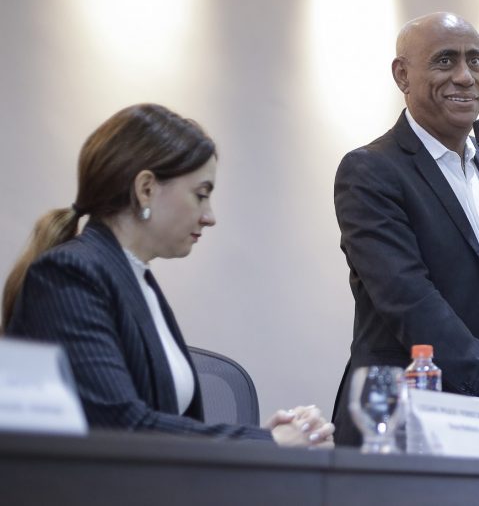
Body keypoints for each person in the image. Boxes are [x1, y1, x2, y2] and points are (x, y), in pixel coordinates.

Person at [2, 104, 334, 446]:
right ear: (146, 188)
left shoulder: (135, 279)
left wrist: (260, 440)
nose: (209, 216)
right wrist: (268, 442)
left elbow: (161, 427)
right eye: (201, 195)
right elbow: (119, 426)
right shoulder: (69, 274)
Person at [332, 12, 479, 456]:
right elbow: (409, 299)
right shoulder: (372, 170)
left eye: (475, 61)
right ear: (402, 74)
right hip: (406, 424)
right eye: (445, 61)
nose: (465, 76)